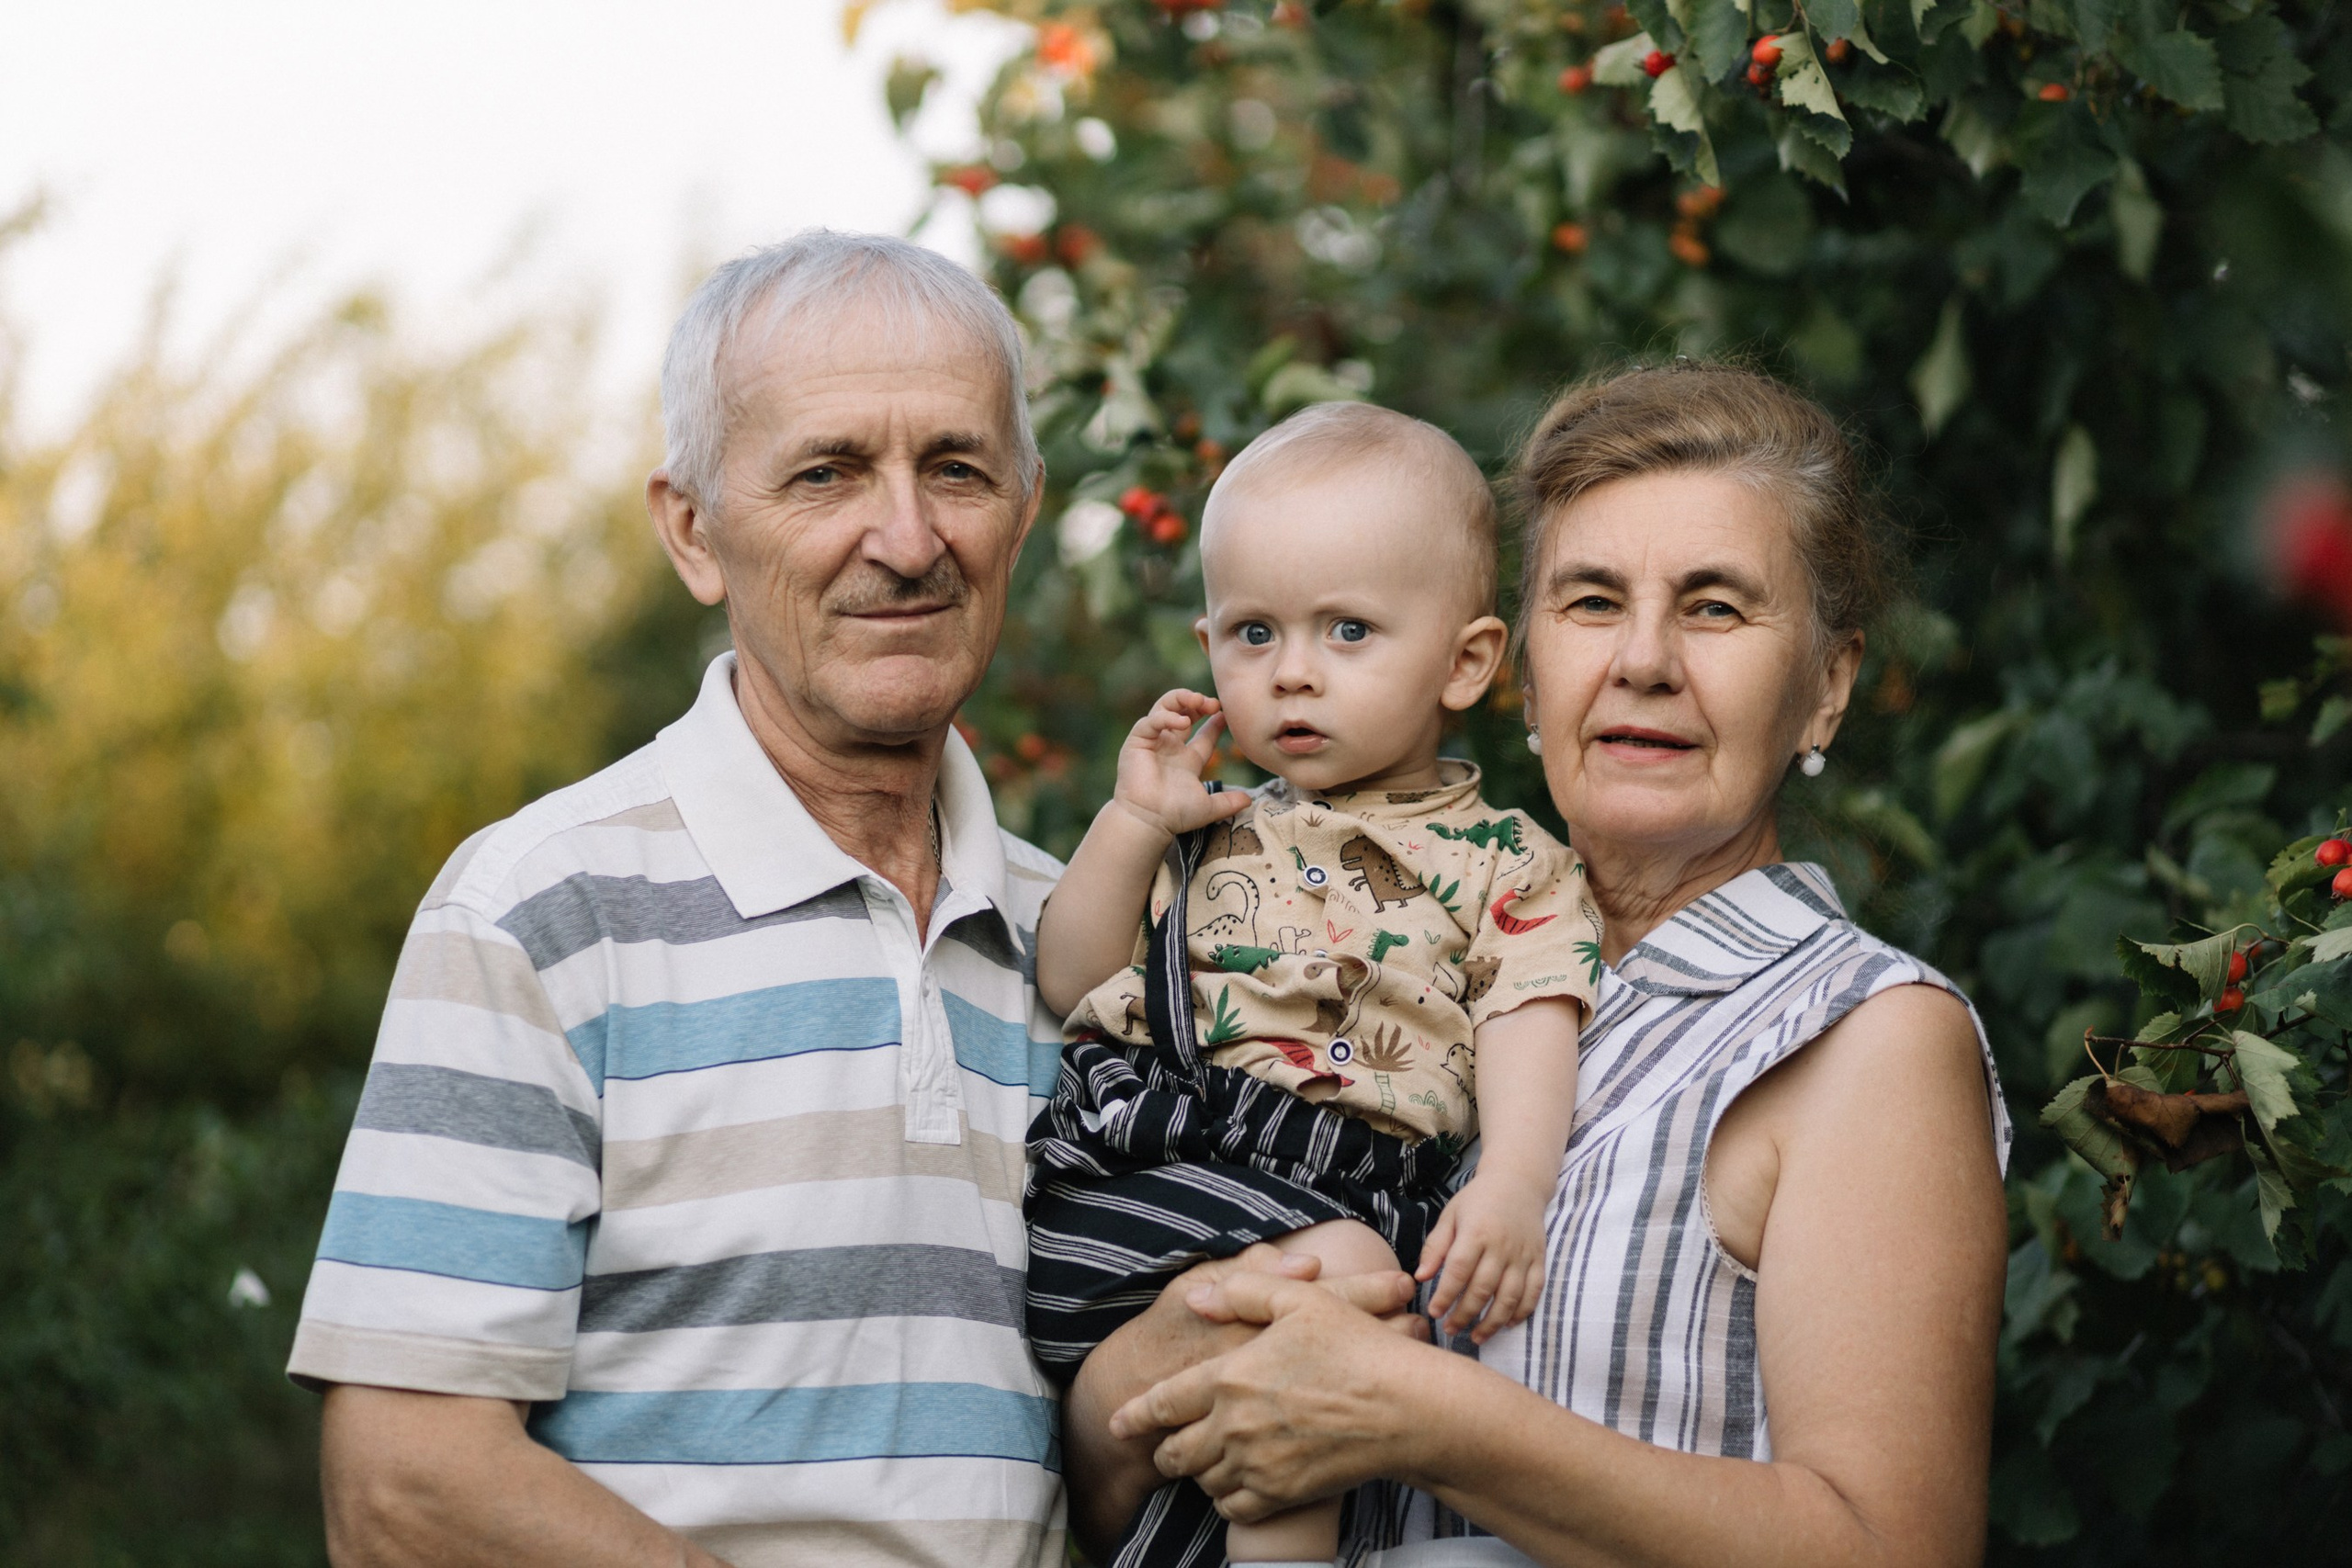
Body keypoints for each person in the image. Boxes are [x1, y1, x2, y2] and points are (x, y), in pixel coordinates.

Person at [1075, 363, 2015, 1568]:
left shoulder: (1861, 1036)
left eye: (1717, 607)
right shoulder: (1388, 977)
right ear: (1513, 664)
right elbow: (1129, 1493)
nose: (1644, 660)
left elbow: (1892, 1548)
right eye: (1590, 600)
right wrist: (1132, 1388)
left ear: (1827, 686)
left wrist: (1426, 1414)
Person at [284, 231, 1076, 1568]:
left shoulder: (1094, 941)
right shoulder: (540, 912)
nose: (907, 535)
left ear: (1025, 512)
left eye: (957, 467)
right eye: (827, 472)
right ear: (694, 530)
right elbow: (405, 1486)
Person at [1027, 402, 1601, 1568]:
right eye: (1251, 634)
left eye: (1347, 631)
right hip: (1144, 1188)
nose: (1291, 674)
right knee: (1339, 1294)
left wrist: (1511, 1188)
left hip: (1335, 1191)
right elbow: (1071, 974)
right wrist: (1134, 822)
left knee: (1294, 1361)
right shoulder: (1207, 831)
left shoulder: (1505, 860)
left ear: (1466, 661)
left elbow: (1529, 1011)